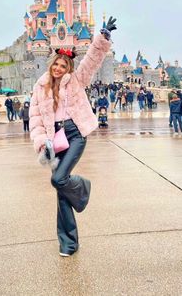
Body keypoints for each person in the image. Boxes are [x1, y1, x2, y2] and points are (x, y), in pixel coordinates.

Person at [29, 16, 117, 257]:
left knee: (59, 180)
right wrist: (40, 143)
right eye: (56, 64)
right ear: (51, 64)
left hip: (75, 133)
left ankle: (82, 187)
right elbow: (35, 118)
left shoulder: (76, 80)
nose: (58, 69)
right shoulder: (40, 87)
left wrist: (102, 38)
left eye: (63, 66)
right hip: (54, 138)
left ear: (68, 67)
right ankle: (68, 242)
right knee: (61, 192)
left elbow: (91, 61)